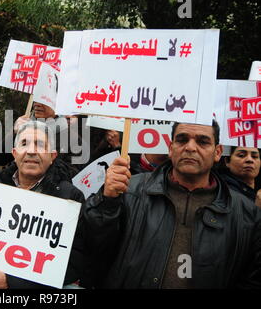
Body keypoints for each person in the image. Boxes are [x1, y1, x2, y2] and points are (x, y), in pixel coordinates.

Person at [82, 121, 261, 288]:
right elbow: (94, 247)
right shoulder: (129, 189)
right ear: (170, 148)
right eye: (182, 140)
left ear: (217, 152)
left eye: (202, 141)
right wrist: (107, 201)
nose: (190, 147)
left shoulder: (246, 214)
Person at [0, 120, 85, 289]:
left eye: (40, 145)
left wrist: (12, 282)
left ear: (53, 156)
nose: (31, 151)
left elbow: (74, 261)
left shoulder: (69, 197)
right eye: (24, 143)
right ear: (14, 153)